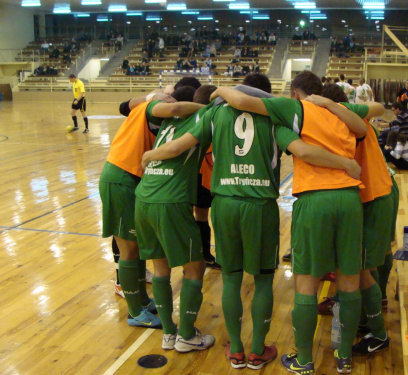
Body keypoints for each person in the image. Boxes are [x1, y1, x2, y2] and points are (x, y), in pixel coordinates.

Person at [140, 73, 363, 371]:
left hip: (225, 204)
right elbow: (302, 150)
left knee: (231, 279)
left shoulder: (215, 111)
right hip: (260, 206)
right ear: (266, 95)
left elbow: (177, 146)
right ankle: (258, 350)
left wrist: (149, 155)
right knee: (262, 281)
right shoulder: (272, 117)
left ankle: (236, 350)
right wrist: (345, 164)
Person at [205, 71, 367, 374]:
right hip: (349, 199)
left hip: (310, 200)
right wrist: (345, 156)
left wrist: (218, 91)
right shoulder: (341, 113)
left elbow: (300, 148)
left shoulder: (293, 110)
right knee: (348, 281)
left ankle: (303, 359)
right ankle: (344, 355)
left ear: (294, 93)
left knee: (304, 284)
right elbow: (369, 119)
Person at [99, 92, 196, 326]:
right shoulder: (154, 108)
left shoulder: (141, 105)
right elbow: (174, 109)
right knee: (129, 250)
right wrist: (210, 108)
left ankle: (141, 300)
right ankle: (134, 312)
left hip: (128, 179)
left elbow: (126, 103)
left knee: (139, 247)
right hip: (120, 178)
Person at [135, 86, 216, 353]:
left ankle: (168, 333)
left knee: (161, 268)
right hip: (170, 199)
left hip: (144, 197)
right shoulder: (204, 117)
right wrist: (149, 154)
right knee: (195, 268)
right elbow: (174, 149)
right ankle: (186, 335)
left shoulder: (169, 119)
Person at [314, 83, 393, 353]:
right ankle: (365, 319)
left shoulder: (343, 114)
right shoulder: (345, 116)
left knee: (361, 269)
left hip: (374, 197)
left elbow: (381, 108)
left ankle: (379, 333)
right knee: (360, 267)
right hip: (372, 195)